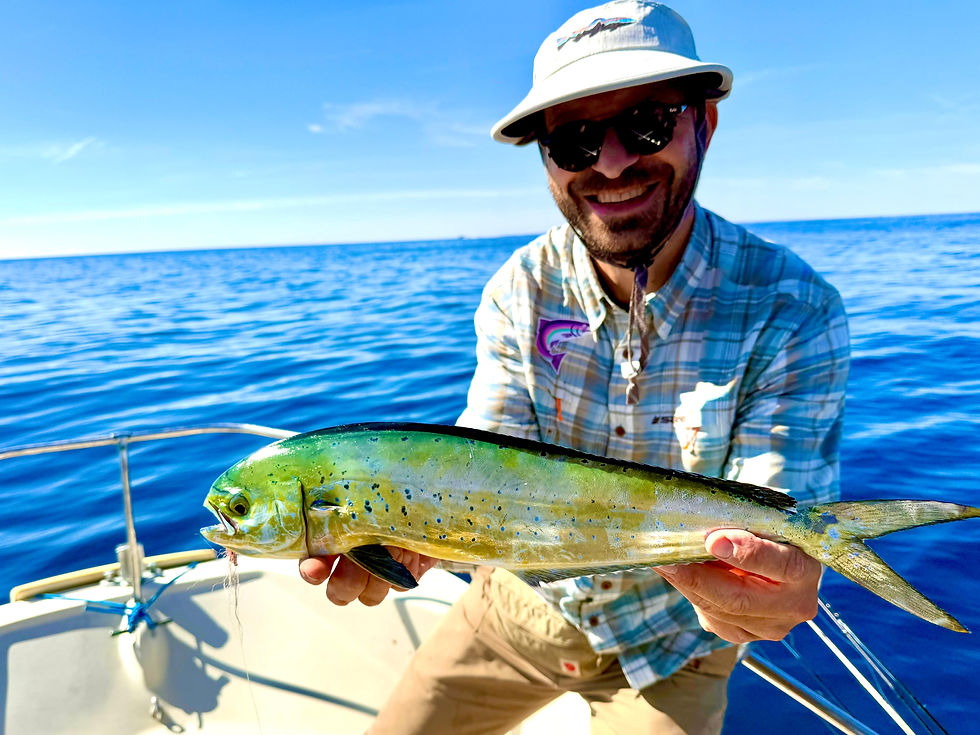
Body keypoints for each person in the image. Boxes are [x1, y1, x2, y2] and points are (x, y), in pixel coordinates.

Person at [299, 2, 850, 733]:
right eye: (575, 140)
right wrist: (406, 538)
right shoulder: (516, 290)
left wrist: (764, 582)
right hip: (520, 606)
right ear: (546, 158)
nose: (612, 162)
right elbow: (478, 460)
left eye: (648, 122)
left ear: (704, 124)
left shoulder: (794, 305)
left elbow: (778, 511)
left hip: (676, 640)